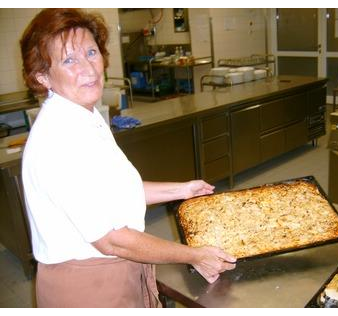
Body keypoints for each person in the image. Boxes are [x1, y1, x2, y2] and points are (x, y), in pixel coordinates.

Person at [20, 8, 236, 308]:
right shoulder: (57, 141)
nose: (89, 68)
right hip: (88, 287)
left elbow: (117, 191)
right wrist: (195, 255)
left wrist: (182, 189)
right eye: (69, 59)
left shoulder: (85, 115)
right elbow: (111, 239)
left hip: (119, 267)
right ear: (43, 76)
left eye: (91, 52)